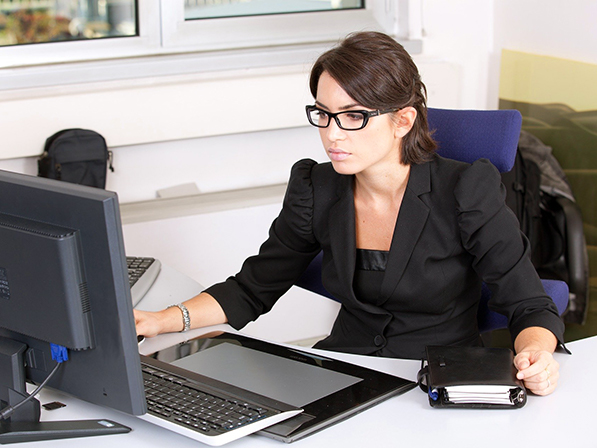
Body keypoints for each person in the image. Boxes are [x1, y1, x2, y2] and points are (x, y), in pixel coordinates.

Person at [135, 31, 564, 396]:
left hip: (433, 381)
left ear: (403, 120)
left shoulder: (466, 190)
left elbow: (530, 304)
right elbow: (253, 288)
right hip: (344, 373)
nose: (331, 134)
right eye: (323, 114)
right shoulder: (317, 187)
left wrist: (537, 355)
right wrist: (161, 320)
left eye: (354, 116)